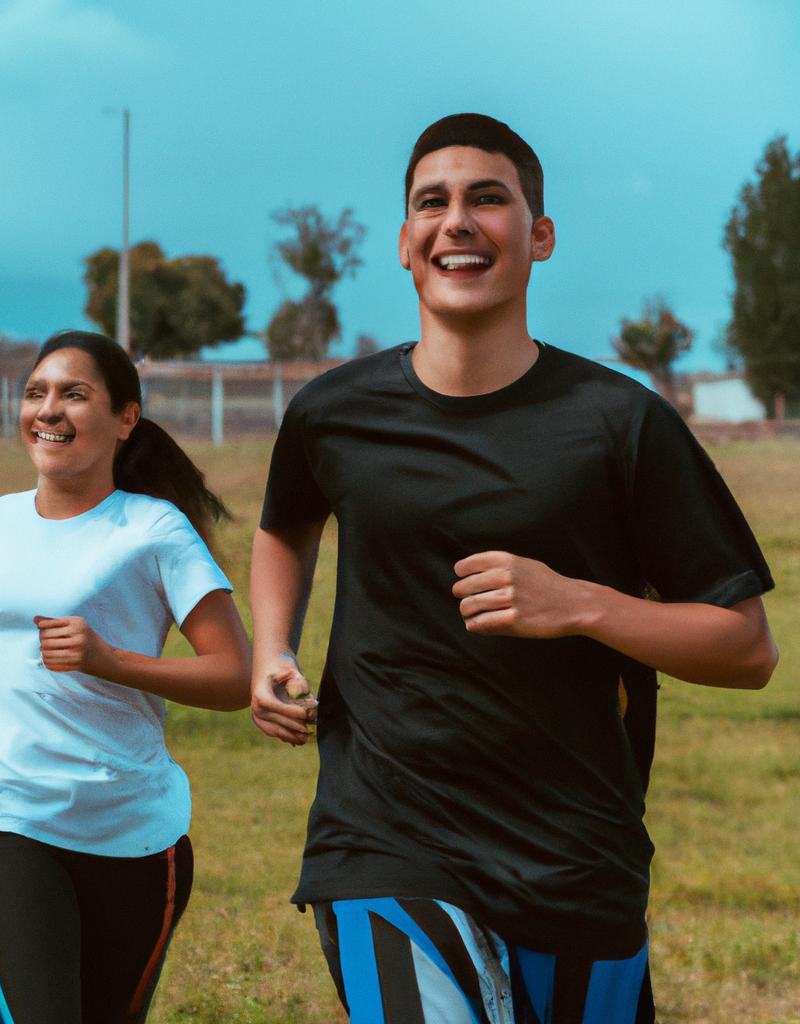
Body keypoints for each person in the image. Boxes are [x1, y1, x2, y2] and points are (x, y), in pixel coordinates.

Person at [249, 114, 777, 1024]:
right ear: (407, 244)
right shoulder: (333, 414)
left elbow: (745, 647)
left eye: (487, 199)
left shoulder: (620, 423)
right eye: (433, 203)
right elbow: (286, 526)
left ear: (539, 237)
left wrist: (581, 605)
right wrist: (271, 647)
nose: (457, 220)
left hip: (574, 853)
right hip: (382, 834)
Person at [0, 330, 251, 1024]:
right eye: (36, 393)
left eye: (74, 393)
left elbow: (235, 676)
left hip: (135, 832)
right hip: (5, 817)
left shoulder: (156, 531)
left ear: (126, 419)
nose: (49, 409)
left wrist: (110, 661)